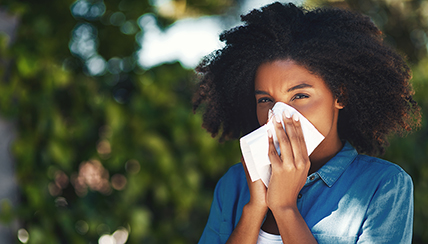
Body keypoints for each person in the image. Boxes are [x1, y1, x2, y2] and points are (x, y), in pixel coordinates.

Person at [193, 2, 421, 244]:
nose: (278, 114)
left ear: (339, 96)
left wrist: (284, 208)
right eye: (266, 100)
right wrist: (255, 207)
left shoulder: (383, 185)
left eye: (299, 96)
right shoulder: (234, 183)